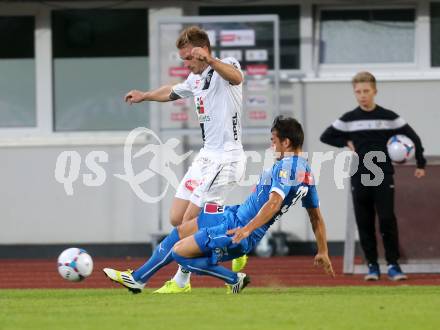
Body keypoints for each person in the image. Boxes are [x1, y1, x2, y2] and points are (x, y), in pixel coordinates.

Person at [103, 116, 335, 294]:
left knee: (180, 252)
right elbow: (316, 217)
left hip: (238, 229)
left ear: (286, 142)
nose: (271, 146)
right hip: (233, 214)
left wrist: (247, 229)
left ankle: (234, 279)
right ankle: (138, 279)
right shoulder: (306, 174)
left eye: (274, 141)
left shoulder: (289, 167)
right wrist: (323, 250)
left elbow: (274, 203)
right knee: (183, 229)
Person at [124, 26, 248, 293]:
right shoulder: (194, 79)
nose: (186, 64)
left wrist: (211, 60)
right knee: (176, 218)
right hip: (207, 156)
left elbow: (237, 78)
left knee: (192, 221)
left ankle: (182, 280)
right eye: (183, 59)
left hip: (226, 157)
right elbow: (171, 92)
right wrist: (145, 96)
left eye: (189, 58)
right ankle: (235, 238)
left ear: (202, 51)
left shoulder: (224, 66)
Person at [320, 71, 426, 281]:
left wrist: (420, 162)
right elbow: (326, 136)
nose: (362, 95)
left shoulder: (389, 117)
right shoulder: (349, 119)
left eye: (366, 91)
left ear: (375, 91)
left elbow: (413, 137)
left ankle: (394, 266)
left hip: (383, 175)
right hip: (359, 176)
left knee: (387, 220)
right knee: (364, 221)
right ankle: (372, 266)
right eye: (358, 92)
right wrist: (345, 143)